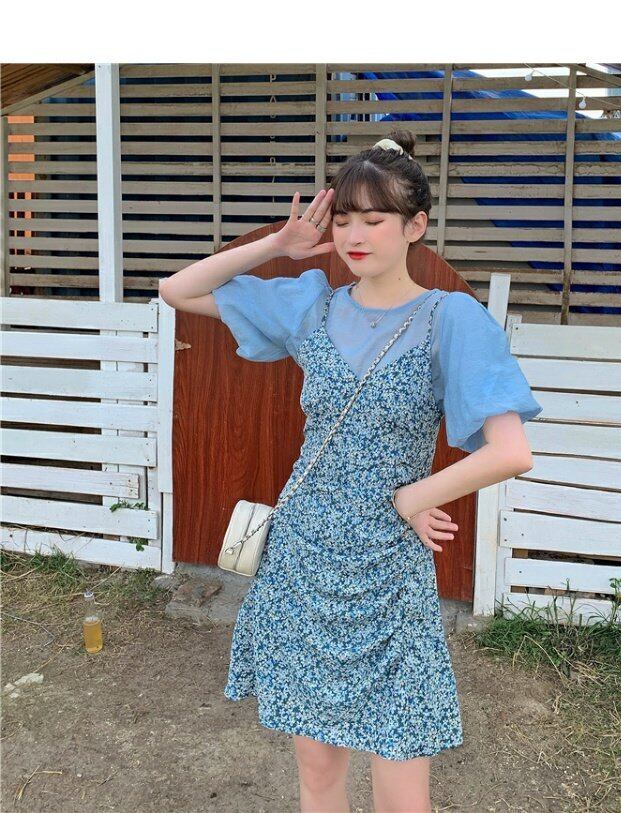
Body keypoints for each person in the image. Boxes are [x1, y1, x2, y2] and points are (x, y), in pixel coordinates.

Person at [158, 128, 543, 813]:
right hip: (303, 557)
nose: (354, 235)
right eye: (343, 219)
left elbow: (511, 450)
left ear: (415, 226)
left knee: (401, 785)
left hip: (389, 568)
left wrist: (413, 497)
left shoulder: (450, 318)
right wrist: (278, 245)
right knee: (317, 770)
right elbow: (177, 290)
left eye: (375, 219)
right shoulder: (315, 305)